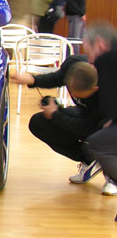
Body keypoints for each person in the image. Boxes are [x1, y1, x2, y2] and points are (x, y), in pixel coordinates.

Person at [12, 57, 105, 186]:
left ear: (94, 88)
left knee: (105, 133)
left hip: (107, 125)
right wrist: (33, 80)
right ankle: (90, 159)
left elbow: (87, 127)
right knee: (39, 123)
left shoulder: (107, 89)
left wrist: (55, 115)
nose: (74, 96)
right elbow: (57, 78)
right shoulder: (73, 65)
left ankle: (111, 172)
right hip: (86, 114)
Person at [82, 23, 117, 202]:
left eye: (89, 53)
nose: (89, 60)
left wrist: (111, 118)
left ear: (99, 43)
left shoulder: (105, 60)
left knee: (98, 142)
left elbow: (107, 103)